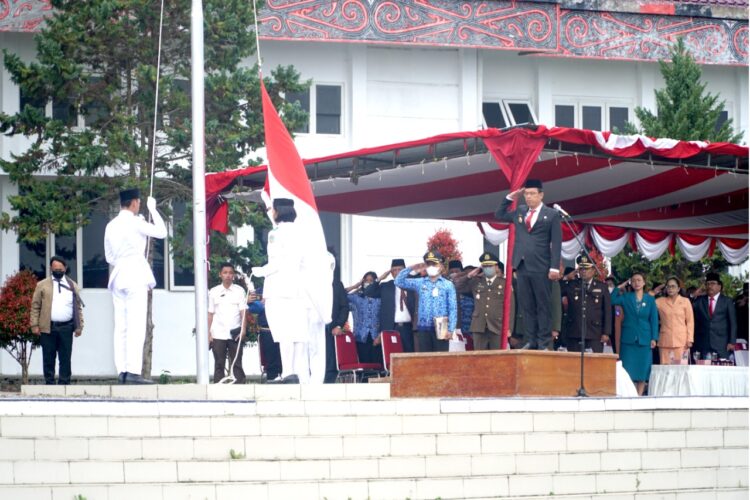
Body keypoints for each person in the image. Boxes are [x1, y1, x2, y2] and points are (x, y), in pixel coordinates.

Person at [104, 188, 166, 385]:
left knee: (120, 326)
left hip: (118, 275)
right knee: (136, 325)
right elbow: (162, 232)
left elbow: (109, 257)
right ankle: (132, 371)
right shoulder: (136, 222)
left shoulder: (111, 225)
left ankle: (122, 370)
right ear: (134, 203)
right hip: (135, 274)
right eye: (139, 202)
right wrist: (153, 210)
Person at [495, 179, 562, 350]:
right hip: (522, 265)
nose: (529, 197)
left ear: (541, 195)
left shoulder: (552, 214)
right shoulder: (521, 211)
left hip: (541, 266)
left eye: (532, 194)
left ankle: (544, 342)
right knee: (527, 305)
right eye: (526, 194)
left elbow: (556, 242)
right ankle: (531, 339)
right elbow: (500, 214)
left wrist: (554, 267)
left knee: (542, 305)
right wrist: (510, 197)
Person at [252, 198, 310, 384]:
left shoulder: (276, 233)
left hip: (279, 289)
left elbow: (276, 262)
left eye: (272, 209)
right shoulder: (302, 232)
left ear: (278, 211)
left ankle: (287, 373)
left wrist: (259, 271)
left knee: (284, 333)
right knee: (298, 333)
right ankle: (298, 373)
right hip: (298, 289)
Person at [29, 256, 84, 385]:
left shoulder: (72, 285)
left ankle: (64, 383)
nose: (57, 271)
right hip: (48, 327)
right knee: (48, 357)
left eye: (60, 269)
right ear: (50, 269)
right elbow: (35, 306)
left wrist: (79, 326)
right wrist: (34, 325)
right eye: (55, 269)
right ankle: (49, 383)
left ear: (65, 268)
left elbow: (78, 308)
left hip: (67, 327)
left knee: (65, 358)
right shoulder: (42, 285)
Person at [394, 251, 457, 352]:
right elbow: (398, 281)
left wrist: (450, 329)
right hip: (423, 328)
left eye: (434, 264)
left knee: (441, 361)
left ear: (440, 265)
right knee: (425, 360)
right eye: (428, 264)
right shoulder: (420, 282)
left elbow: (453, 308)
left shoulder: (448, 284)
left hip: (442, 327)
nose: (431, 266)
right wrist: (411, 268)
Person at [610, 272, 659, 395]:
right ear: (630, 283)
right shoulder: (626, 297)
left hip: (644, 339)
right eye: (633, 280)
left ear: (644, 282)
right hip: (628, 339)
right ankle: (631, 394)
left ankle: (639, 395)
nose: (636, 283)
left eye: (639, 280)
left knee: (643, 371)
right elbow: (612, 299)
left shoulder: (650, 299)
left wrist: (654, 338)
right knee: (628, 370)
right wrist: (620, 286)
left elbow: (653, 320)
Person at [453, 252, 505, 350]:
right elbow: (457, 287)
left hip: (497, 326)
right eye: (485, 266)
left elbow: (510, 307)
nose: (488, 268)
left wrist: (508, 328)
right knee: (479, 358)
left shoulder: (504, 283)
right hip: (479, 326)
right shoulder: (476, 281)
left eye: (490, 265)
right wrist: (469, 276)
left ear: (496, 267)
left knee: (497, 359)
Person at [561, 254, 612, 353]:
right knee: (573, 364)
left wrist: (606, 332)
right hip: (574, 331)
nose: (584, 271)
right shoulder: (572, 285)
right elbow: (557, 292)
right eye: (581, 269)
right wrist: (566, 278)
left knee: (594, 365)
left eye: (587, 268)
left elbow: (607, 311)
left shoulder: (602, 287)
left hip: (595, 333)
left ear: (593, 270)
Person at [207, 263, 247, 384]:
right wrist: (208, 333)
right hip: (218, 333)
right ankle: (218, 388)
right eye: (225, 273)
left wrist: (243, 329)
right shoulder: (213, 291)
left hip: (235, 332)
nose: (228, 275)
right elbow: (210, 314)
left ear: (233, 275)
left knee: (237, 362)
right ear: (220, 274)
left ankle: (240, 387)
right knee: (219, 363)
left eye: (230, 273)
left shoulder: (239, 291)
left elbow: (243, 311)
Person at [693, 272, 737, 360]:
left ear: (719, 286)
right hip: (703, 343)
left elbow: (733, 323)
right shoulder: (699, 301)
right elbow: (688, 309)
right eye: (708, 284)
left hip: (722, 344)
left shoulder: (727, 301)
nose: (709, 286)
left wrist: (732, 342)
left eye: (713, 283)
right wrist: (693, 296)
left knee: (722, 371)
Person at [378, 259, 416, 353]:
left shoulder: (413, 284)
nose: (397, 272)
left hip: (408, 328)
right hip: (391, 327)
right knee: (392, 357)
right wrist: (380, 278)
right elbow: (369, 292)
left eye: (400, 269)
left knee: (409, 357)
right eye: (394, 270)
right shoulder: (385, 286)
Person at [655, 276, 694, 365]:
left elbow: (690, 321)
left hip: (682, 342)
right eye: (668, 286)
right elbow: (648, 302)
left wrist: (690, 339)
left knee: (681, 369)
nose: (670, 289)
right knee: (665, 369)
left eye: (673, 286)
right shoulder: (660, 301)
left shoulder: (685, 301)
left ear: (678, 289)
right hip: (665, 341)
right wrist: (654, 292)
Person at [325, 251, 350, 383]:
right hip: (313, 327)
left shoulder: (336, 284)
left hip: (331, 328)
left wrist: (339, 325)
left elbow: (344, 307)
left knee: (330, 361)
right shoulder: (311, 282)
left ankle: (328, 384)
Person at [346, 271, 382, 364]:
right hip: (361, 336)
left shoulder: (380, 298)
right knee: (364, 364)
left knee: (377, 365)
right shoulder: (357, 298)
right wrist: (356, 286)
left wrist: (381, 334)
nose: (369, 283)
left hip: (377, 337)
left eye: (371, 280)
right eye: (366, 280)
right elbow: (341, 295)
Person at [247, 287, 282, 381]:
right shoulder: (260, 290)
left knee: (285, 359)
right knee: (270, 362)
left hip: (283, 330)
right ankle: (272, 381)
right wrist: (248, 301)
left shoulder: (284, 288)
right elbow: (254, 309)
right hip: (267, 330)